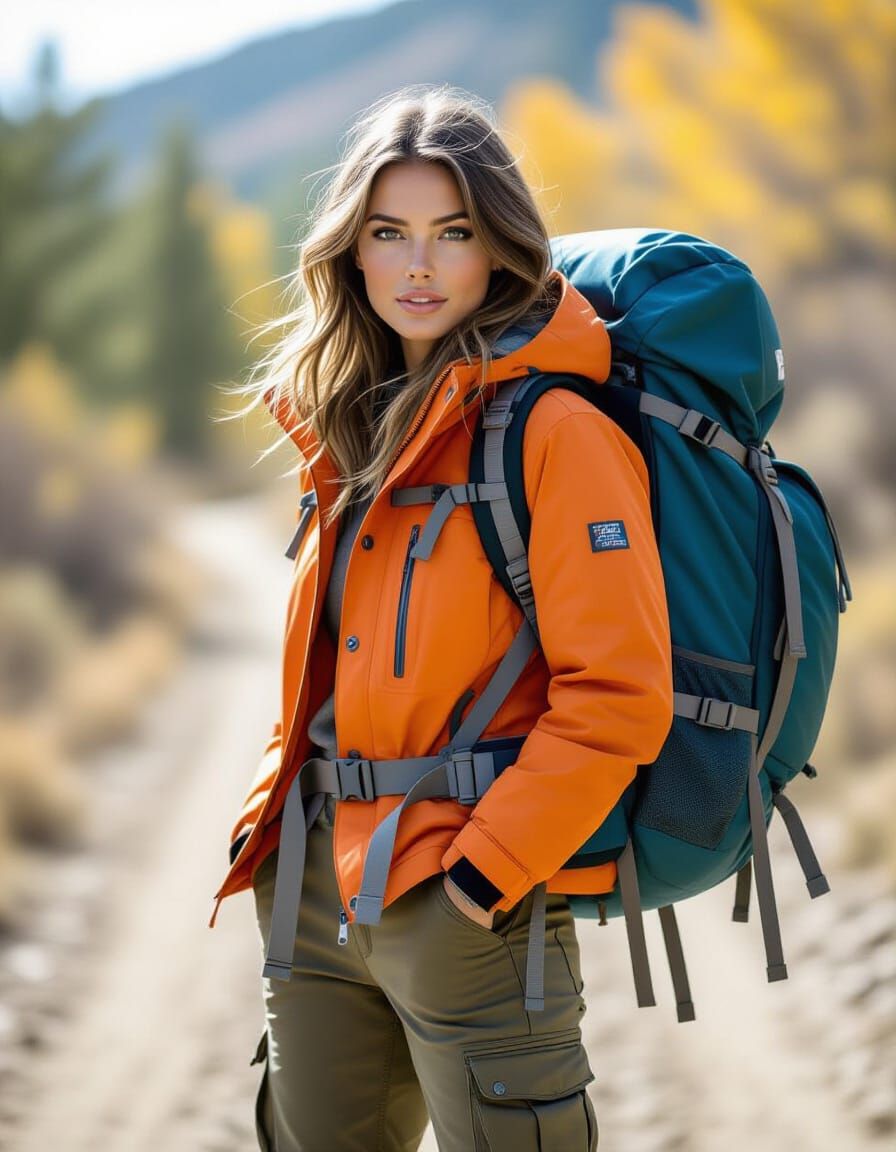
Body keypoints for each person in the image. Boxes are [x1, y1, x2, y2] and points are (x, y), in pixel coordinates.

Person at [214, 83, 673, 1151]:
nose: (418, 265)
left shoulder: (557, 432)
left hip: (465, 901)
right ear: (351, 253)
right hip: (313, 898)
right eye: (389, 233)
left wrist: (477, 880)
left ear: (498, 250)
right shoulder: (346, 430)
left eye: (452, 233)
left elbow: (617, 697)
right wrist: (270, 831)